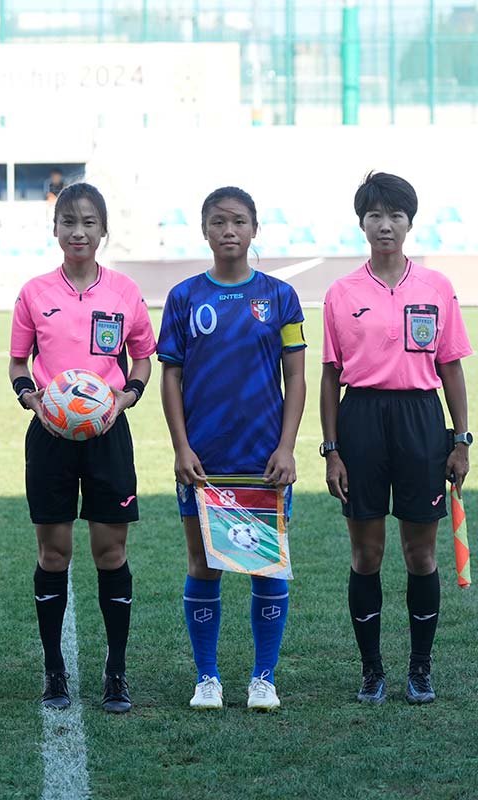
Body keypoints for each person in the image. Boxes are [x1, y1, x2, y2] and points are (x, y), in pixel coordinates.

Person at [320, 171, 472, 705]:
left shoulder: (436, 288)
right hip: (360, 419)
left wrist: (461, 439)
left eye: (395, 215)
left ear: (410, 222)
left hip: (420, 419)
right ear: (361, 223)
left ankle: (420, 668)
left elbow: (450, 366)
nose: (385, 225)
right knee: (366, 553)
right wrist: (332, 450)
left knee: (420, 553)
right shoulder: (341, 293)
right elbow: (330, 376)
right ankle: (371, 670)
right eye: (375, 215)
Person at [157, 187, 307, 712]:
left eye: (239, 221)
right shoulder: (184, 298)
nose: (228, 230)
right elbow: (170, 377)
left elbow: (296, 376)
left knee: (267, 566)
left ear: (254, 229)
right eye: (218, 222)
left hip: (264, 460)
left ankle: (264, 678)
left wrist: (287, 447)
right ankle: (207, 678)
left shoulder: (280, 297)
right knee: (204, 565)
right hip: (204, 462)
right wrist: (181, 447)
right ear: (204, 230)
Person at [9, 183, 156, 714]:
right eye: (69, 222)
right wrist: (30, 398)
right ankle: (54, 670)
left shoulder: (125, 292)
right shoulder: (34, 293)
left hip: (107, 433)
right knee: (53, 553)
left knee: (110, 552)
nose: (78, 232)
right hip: (50, 435)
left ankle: (116, 672)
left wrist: (126, 397)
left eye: (89, 222)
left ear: (103, 230)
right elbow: (18, 363)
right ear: (55, 230)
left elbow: (142, 358)